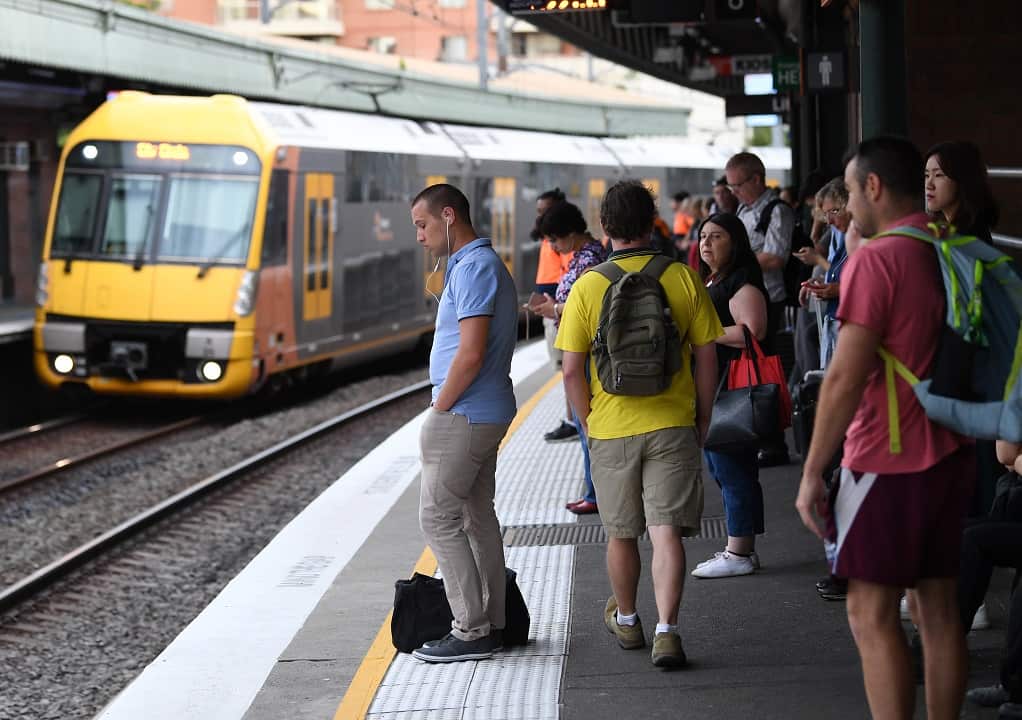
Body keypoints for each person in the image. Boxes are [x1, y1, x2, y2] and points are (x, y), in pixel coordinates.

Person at [796, 137, 974, 719]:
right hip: (952, 451)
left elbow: (846, 375)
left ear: (873, 187)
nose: (845, 203)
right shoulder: (948, 245)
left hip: (888, 458)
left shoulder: (877, 258)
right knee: (939, 612)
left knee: (869, 613)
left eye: (849, 191)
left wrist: (812, 470)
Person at [556, 180, 722, 668]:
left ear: (604, 227)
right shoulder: (682, 277)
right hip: (673, 422)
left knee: (621, 533)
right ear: (651, 222)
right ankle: (668, 632)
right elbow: (707, 355)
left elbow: (570, 369)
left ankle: (627, 619)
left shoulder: (589, 285)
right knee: (665, 530)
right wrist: (703, 415)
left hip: (611, 428)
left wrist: (588, 423)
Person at [409, 183, 518, 663]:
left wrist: (440, 408)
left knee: (437, 517)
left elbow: (470, 354)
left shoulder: (474, 268)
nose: (419, 236)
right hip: (482, 411)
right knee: (476, 516)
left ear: (449, 216)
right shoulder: (478, 266)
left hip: (465, 413)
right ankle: (493, 622)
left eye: (423, 224)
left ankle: (470, 629)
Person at [691, 212, 769, 578]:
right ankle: (742, 547)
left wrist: (702, 331)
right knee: (729, 467)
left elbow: (753, 333)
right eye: (703, 236)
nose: (707, 242)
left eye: (717, 236)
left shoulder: (742, 284)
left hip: (732, 388)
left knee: (731, 467)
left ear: (735, 241)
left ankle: (739, 551)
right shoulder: (716, 280)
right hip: (719, 386)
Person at [530, 201, 608, 515]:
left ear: (571, 233)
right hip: (581, 346)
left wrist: (555, 309)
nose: (552, 245)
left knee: (586, 422)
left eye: (555, 239)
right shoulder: (583, 256)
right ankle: (593, 490)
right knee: (583, 422)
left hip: (587, 351)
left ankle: (596, 493)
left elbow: (584, 304)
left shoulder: (590, 258)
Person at [725, 151, 794, 467]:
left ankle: (774, 440)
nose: (734, 192)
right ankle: (756, 433)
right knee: (749, 368)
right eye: (731, 187)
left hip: (772, 298)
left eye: (738, 185)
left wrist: (736, 259)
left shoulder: (777, 211)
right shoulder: (742, 209)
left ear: (757, 178)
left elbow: (776, 256)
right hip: (746, 296)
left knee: (766, 370)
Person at [532, 188, 578, 445]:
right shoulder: (547, 238)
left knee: (568, 368)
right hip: (552, 309)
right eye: (539, 211)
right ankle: (573, 419)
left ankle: (574, 420)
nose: (541, 217)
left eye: (545, 210)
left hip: (559, 310)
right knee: (564, 369)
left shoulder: (564, 241)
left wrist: (557, 306)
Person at [925, 140, 999, 244]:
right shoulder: (952, 227)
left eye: (938, 175)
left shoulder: (965, 238)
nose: (929, 185)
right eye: (927, 175)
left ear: (961, 180)